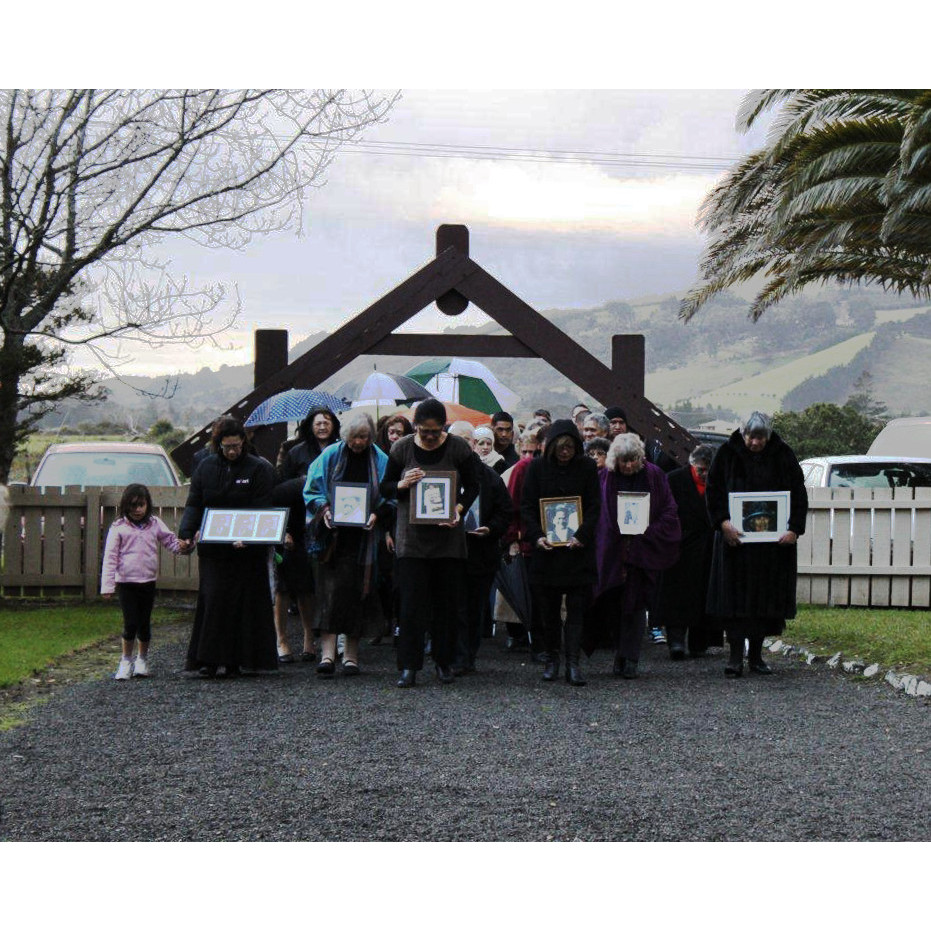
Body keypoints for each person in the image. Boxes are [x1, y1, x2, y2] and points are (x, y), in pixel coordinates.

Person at [379, 398, 480, 688]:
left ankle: (444, 662)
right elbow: (385, 487)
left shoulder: (459, 448)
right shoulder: (401, 448)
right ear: (415, 427)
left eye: (435, 432)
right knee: (411, 605)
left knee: (447, 604)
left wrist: (458, 511)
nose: (430, 437)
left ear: (444, 427)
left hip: (448, 541)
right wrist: (402, 484)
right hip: (411, 541)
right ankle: (408, 666)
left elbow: (473, 485)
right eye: (424, 431)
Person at [705, 411, 808, 678]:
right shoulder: (726, 453)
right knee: (735, 602)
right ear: (743, 434)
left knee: (765, 602)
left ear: (768, 436)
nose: (755, 443)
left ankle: (757, 657)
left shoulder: (783, 454)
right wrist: (723, 523)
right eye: (751, 437)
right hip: (735, 543)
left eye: (760, 438)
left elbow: (798, 492)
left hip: (772, 547)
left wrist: (794, 529)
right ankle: (735, 658)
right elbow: (713, 491)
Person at [179, 419, 278, 677]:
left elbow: (263, 507)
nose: (232, 451)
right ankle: (209, 660)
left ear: (243, 442)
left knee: (243, 604)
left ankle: (237, 661)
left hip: (246, 549)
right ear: (218, 445)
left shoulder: (258, 468)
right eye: (227, 447)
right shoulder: (205, 467)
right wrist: (186, 533)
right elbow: (195, 503)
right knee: (214, 600)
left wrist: (251, 536)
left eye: (236, 446)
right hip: (214, 549)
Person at [584, 434, 681, 679]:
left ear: (641, 458)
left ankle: (632, 659)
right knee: (613, 604)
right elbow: (599, 514)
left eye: (633, 460)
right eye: (624, 461)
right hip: (613, 553)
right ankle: (620, 653)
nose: (628, 466)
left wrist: (646, 533)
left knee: (636, 605)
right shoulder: (605, 477)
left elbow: (669, 510)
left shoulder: (655, 475)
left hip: (643, 550)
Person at [304, 411, 391, 677]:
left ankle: (351, 656)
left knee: (358, 595)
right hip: (334, 540)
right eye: (354, 437)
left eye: (364, 437)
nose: (358, 443)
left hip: (365, 540)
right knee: (329, 595)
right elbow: (312, 488)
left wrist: (379, 513)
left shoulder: (380, 459)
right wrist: (325, 510)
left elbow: (390, 493)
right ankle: (328, 655)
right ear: (345, 436)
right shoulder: (330, 455)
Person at [521, 419, 600, 686]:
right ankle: (552, 660)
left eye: (569, 447)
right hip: (547, 552)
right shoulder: (536, 468)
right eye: (560, 447)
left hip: (577, 551)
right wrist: (537, 537)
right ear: (551, 447)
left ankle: (573, 664)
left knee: (577, 611)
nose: (565, 452)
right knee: (549, 612)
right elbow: (528, 507)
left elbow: (594, 507)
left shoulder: (587, 467)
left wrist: (582, 536)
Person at [101, 483, 190, 679]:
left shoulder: (155, 524)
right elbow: (110, 557)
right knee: (130, 622)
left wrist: (184, 547)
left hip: (147, 582)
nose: (138, 510)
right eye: (133, 506)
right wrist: (107, 586)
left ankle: (142, 660)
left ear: (147, 505)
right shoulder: (119, 527)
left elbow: (170, 542)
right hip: (126, 583)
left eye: (141, 505)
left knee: (144, 623)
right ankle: (126, 661)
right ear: (126, 506)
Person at [447, 421, 513, 675]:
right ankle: (450, 652)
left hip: (480, 552)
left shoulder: (490, 477)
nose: (462, 445)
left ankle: (466, 656)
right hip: (447, 552)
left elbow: (505, 512)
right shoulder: (441, 473)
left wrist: (491, 529)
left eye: (466, 440)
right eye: (456, 440)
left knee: (473, 607)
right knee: (452, 605)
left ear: (474, 444)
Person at [652, 445, 722, 660]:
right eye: (701, 470)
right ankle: (676, 641)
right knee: (677, 595)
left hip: (708, 545)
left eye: (708, 470)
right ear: (692, 465)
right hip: (680, 545)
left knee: (703, 594)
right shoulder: (674, 480)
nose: (705, 474)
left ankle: (700, 642)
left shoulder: (720, 482)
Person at [270, 476, 316, 663]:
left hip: (311, 536)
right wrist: (283, 532)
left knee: (307, 589)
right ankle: (281, 640)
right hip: (289, 536)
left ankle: (309, 638)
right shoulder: (289, 488)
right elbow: (270, 507)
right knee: (284, 588)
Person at [278, 407, 341, 482]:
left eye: (326, 423)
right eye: (318, 424)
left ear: (333, 425)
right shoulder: (296, 452)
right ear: (311, 426)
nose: (322, 427)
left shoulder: (341, 450)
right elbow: (284, 481)